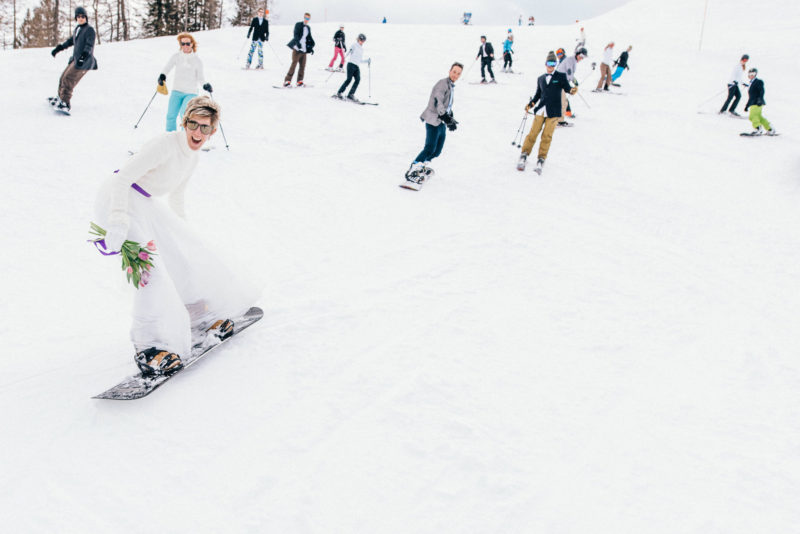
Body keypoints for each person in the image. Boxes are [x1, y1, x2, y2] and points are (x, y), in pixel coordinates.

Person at [93, 96, 256, 376]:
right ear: (184, 123)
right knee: (150, 272)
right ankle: (148, 347)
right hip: (118, 200)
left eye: (205, 127)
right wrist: (117, 220)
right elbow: (122, 179)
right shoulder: (165, 144)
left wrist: (184, 232)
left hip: (144, 204)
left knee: (181, 259)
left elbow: (177, 196)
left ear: (213, 131)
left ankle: (199, 319)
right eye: (193, 124)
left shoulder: (191, 158)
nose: (197, 133)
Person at [517, 51, 577, 174]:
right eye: (549, 63)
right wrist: (531, 104)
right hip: (541, 110)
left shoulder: (560, 76)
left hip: (554, 112)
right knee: (533, 134)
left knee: (546, 136)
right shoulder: (540, 78)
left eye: (553, 63)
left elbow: (567, 88)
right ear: (545, 64)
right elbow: (538, 95)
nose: (551, 66)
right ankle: (524, 154)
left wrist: (572, 90)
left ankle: (541, 158)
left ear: (555, 64)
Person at [404, 62, 463, 186]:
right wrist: (446, 117)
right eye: (454, 72)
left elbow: (447, 106)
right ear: (449, 71)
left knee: (437, 151)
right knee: (429, 148)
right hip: (432, 120)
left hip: (440, 122)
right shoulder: (442, 84)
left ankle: (421, 166)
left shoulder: (451, 86)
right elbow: (439, 102)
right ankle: (413, 169)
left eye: (458, 73)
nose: (456, 75)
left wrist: (451, 118)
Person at [49, 7, 97, 113]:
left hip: (84, 62)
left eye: (83, 16)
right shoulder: (78, 29)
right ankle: (60, 98)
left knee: (68, 79)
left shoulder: (89, 30)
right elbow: (71, 41)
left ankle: (65, 103)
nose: (80, 18)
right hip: (76, 60)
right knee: (63, 77)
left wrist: (83, 57)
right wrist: (59, 48)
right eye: (78, 16)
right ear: (76, 18)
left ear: (86, 18)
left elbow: (89, 46)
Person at [159, 33, 211, 132]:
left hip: (191, 92)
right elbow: (167, 68)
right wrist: (162, 75)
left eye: (187, 43)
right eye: (183, 44)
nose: (185, 46)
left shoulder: (197, 60)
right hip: (177, 90)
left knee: (184, 114)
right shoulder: (176, 56)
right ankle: (170, 137)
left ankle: (184, 138)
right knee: (171, 115)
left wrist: (205, 85)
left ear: (192, 44)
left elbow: (200, 78)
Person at [335, 33, 370, 102]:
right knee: (349, 79)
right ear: (358, 39)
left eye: (363, 41)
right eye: (361, 40)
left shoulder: (362, 49)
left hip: (356, 66)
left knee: (358, 79)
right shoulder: (354, 45)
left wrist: (367, 61)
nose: (362, 42)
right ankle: (339, 92)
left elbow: (359, 60)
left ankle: (351, 94)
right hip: (351, 64)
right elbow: (348, 53)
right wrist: (342, 62)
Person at [556, 47, 587, 122]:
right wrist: (571, 83)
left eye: (583, 57)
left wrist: (573, 80)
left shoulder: (573, 61)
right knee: (563, 102)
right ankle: (559, 121)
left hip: (561, 82)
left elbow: (569, 74)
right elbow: (569, 72)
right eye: (581, 56)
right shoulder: (570, 60)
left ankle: (562, 117)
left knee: (563, 101)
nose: (581, 59)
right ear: (577, 54)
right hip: (559, 83)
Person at [743, 68, 776, 136]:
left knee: (752, 116)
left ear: (755, 74)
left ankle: (758, 129)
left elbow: (762, 90)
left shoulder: (758, 81)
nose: (751, 75)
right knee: (759, 117)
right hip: (753, 102)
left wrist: (760, 99)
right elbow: (751, 96)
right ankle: (770, 129)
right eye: (750, 74)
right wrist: (747, 105)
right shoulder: (751, 83)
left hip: (757, 102)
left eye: (753, 74)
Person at [284, 13, 315, 87]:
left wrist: (311, 47)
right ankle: (287, 81)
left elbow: (309, 38)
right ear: (303, 17)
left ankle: (299, 81)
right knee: (294, 64)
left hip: (303, 49)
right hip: (297, 48)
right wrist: (298, 44)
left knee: (302, 66)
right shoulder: (298, 24)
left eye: (308, 19)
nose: (306, 20)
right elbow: (296, 35)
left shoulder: (308, 28)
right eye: (306, 18)